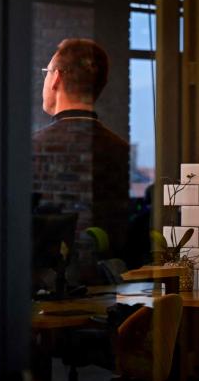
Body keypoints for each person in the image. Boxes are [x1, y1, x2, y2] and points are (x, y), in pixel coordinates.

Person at [32, 38, 130, 279]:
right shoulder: (121, 150)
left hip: (47, 292)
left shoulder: (32, 149)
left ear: (56, 78)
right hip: (111, 285)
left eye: (46, 72)